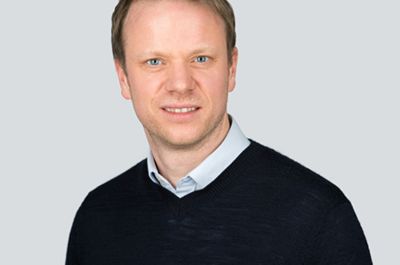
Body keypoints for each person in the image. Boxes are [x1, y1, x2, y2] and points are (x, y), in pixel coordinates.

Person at [66, 0, 373, 264]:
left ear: (231, 69)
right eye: (154, 61)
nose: (181, 84)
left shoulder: (319, 217)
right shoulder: (96, 218)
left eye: (200, 59)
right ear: (123, 78)